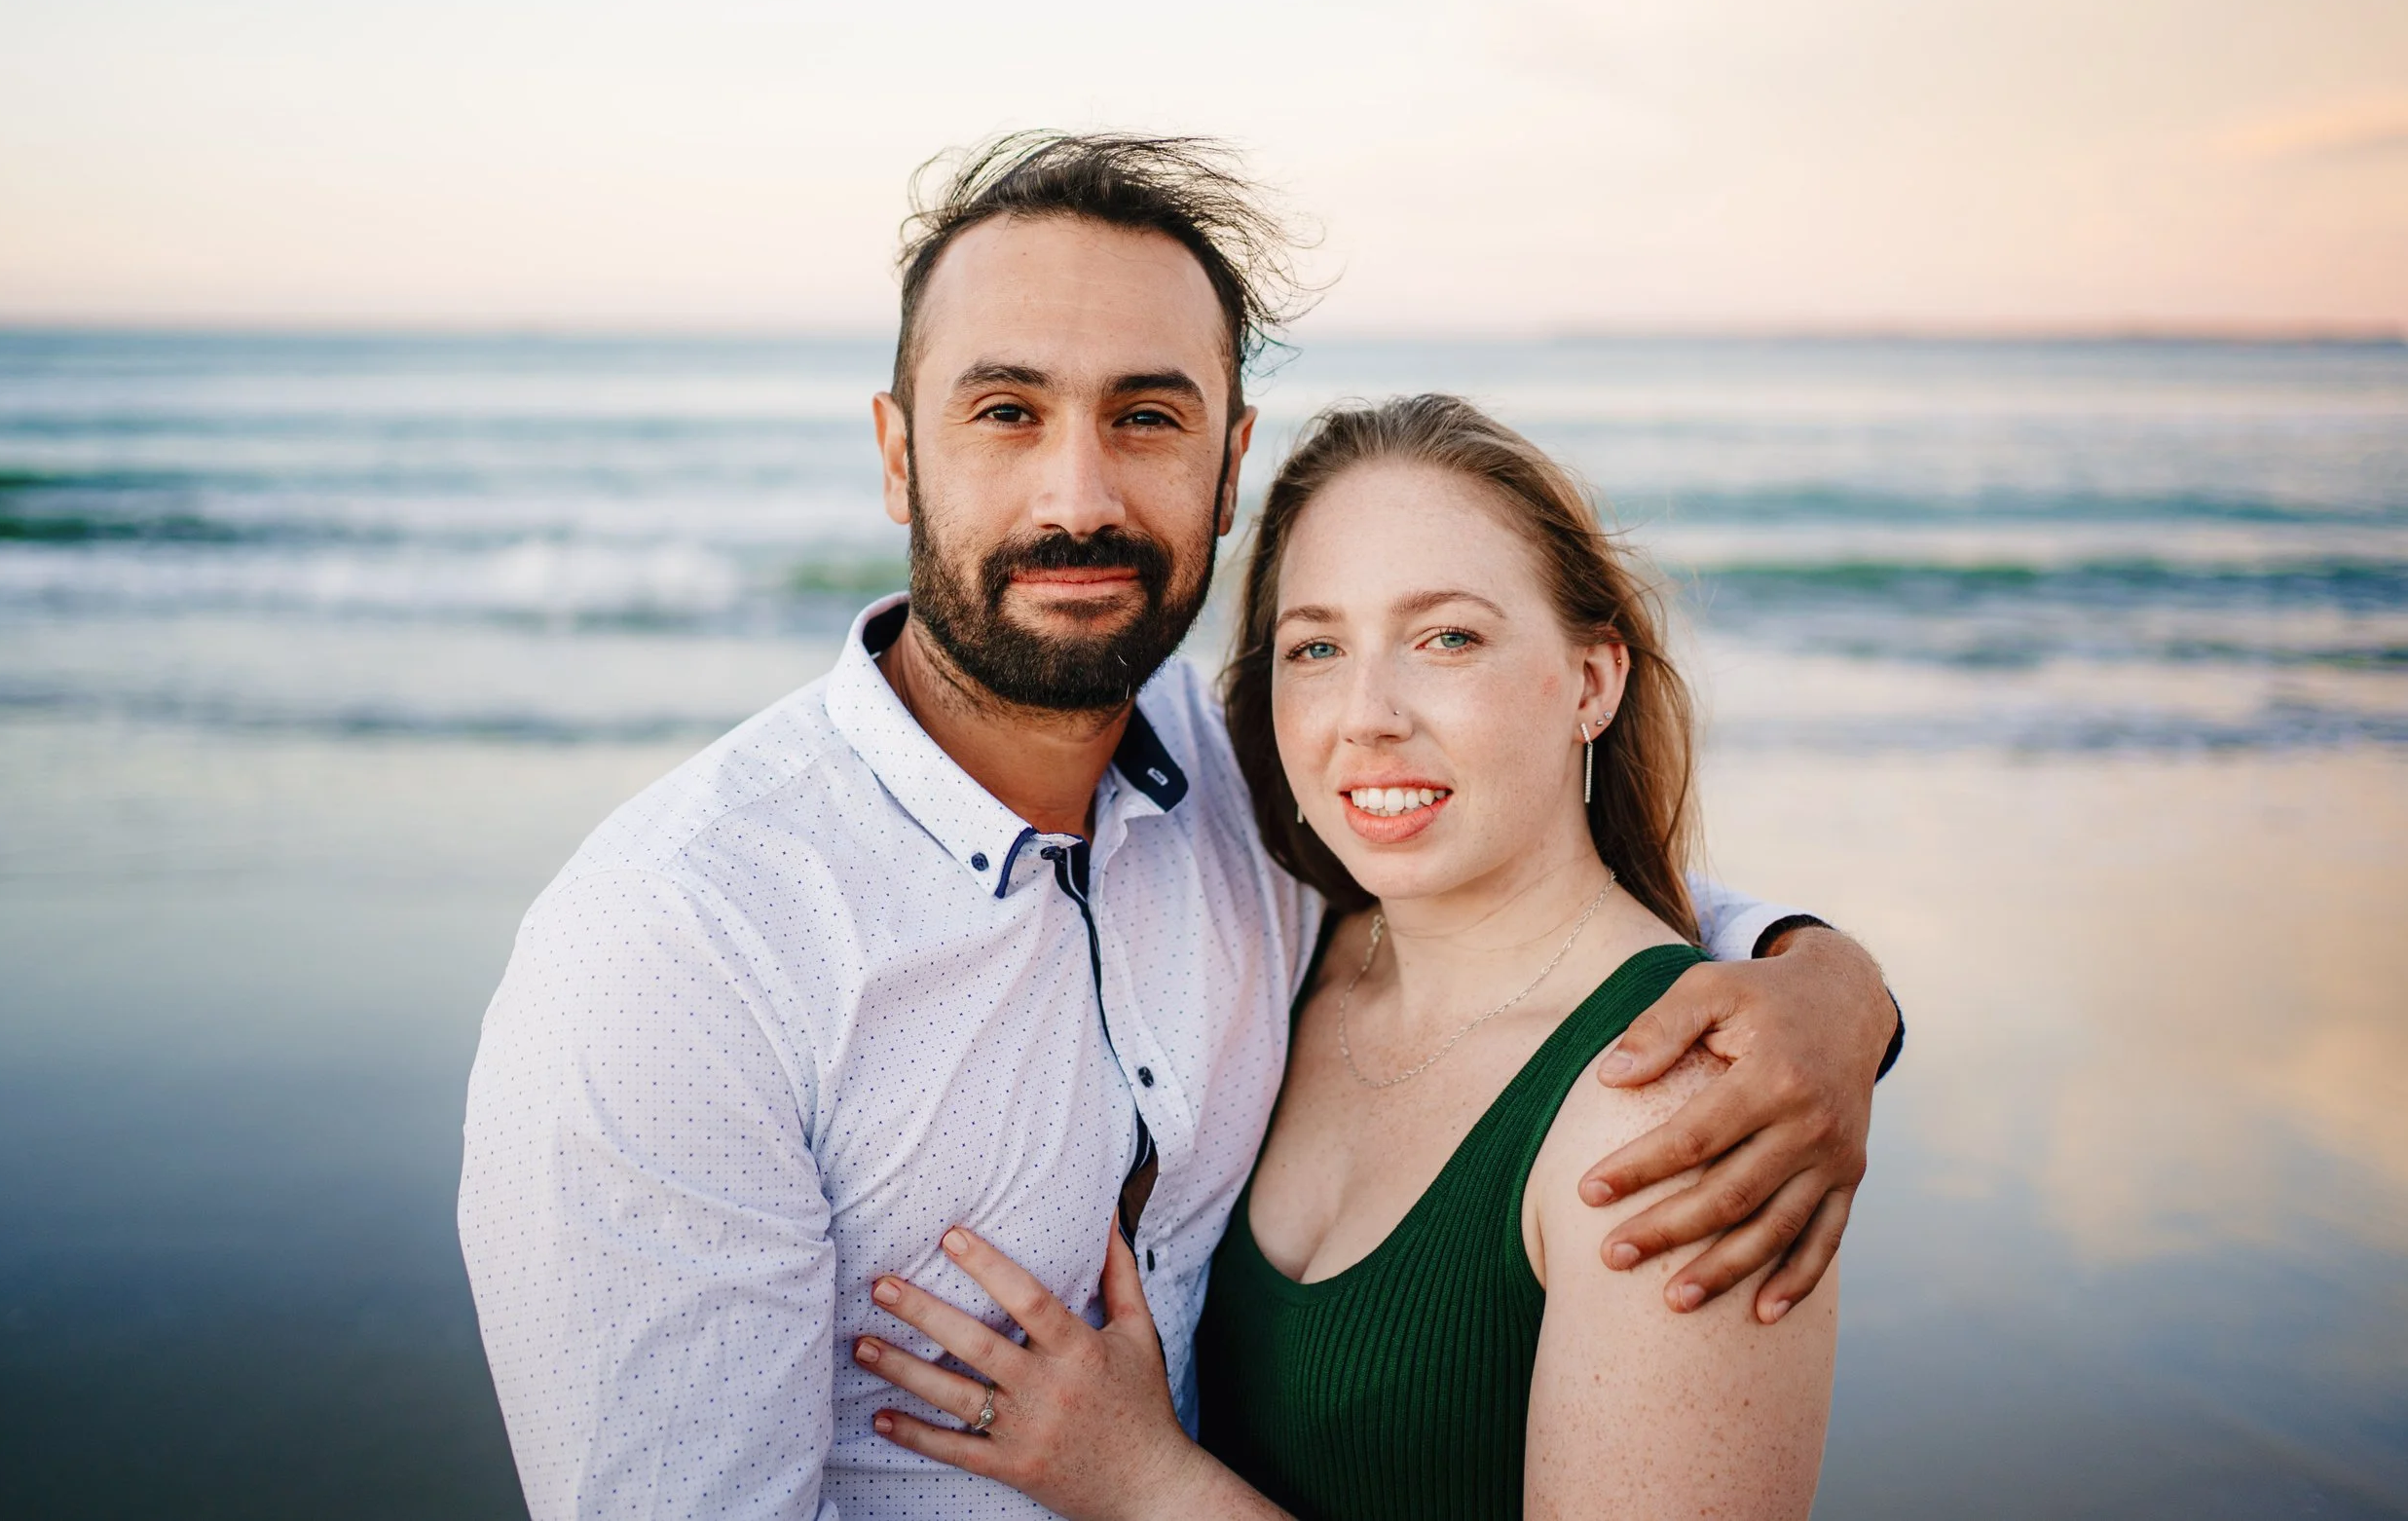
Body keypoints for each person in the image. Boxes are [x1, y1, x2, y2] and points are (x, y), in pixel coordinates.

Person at [457, 134, 1898, 1521]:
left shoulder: (1248, 790)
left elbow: (1510, 887)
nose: (1078, 494)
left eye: (1146, 416)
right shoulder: (679, 945)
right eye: (1005, 411)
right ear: (900, 454)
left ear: (1226, 467)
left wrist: (1827, 981)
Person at [850, 396, 1836, 1519]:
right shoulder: (1294, 950)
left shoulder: (1676, 1109)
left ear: (1592, 681)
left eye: (1447, 636)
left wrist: (1144, 1481)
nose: (1364, 716)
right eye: (1316, 646)